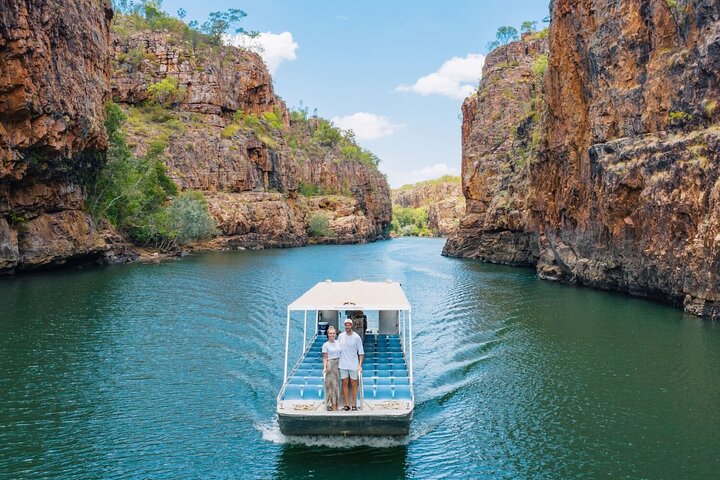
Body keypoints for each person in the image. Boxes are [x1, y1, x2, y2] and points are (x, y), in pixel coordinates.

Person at [338, 318, 364, 411]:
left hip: (353, 364)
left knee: (354, 383)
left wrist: (360, 365)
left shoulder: (356, 337)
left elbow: (361, 353)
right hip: (343, 364)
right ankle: (346, 404)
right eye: (346, 325)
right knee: (344, 383)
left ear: (351, 325)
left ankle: (354, 404)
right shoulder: (340, 336)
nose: (347, 326)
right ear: (344, 326)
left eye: (349, 324)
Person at [321, 326, 341, 411]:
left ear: (335, 334)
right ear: (328, 334)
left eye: (333, 333)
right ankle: (330, 404)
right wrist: (325, 367)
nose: (332, 335)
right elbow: (325, 358)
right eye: (330, 333)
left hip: (339, 363)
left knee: (336, 384)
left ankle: (336, 403)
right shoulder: (325, 345)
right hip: (330, 363)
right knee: (330, 384)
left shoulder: (338, 342)